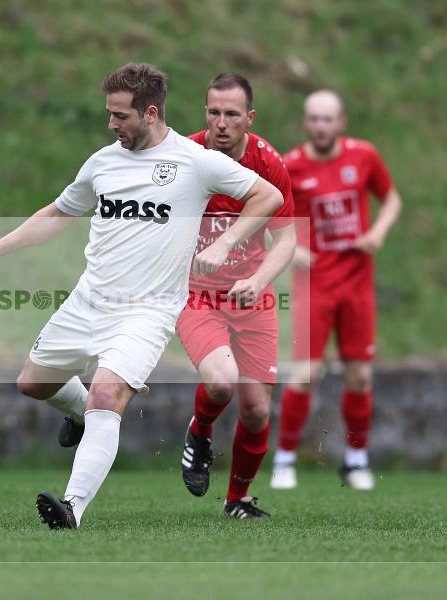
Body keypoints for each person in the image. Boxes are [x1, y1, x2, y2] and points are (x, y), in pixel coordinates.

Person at [0, 63, 283, 528]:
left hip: (148, 312)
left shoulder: (195, 162)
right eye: (110, 115)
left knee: (107, 398)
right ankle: (81, 413)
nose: (112, 125)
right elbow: (57, 213)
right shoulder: (102, 161)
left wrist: (227, 243)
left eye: (120, 117)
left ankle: (72, 507)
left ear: (150, 113)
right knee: (32, 383)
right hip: (90, 300)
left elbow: (267, 196)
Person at [176, 74, 297, 518]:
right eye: (213, 112)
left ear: (250, 117)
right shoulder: (184, 155)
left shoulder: (268, 164)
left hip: (251, 295)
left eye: (231, 114)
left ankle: (237, 500)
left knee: (256, 412)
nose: (221, 123)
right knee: (221, 381)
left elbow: (286, 240)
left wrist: (260, 280)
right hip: (195, 296)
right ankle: (200, 431)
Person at [271, 90, 402, 491]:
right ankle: (284, 460)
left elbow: (391, 198)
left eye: (328, 119)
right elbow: (270, 215)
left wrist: (377, 233)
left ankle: (356, 461)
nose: (321, 126)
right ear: (305, 123)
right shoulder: (290, 165)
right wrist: (291, 247)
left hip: (357, 280)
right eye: (314, 119)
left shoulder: (364, 156)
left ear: (341, 122)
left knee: (359, 375)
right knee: (305, 375)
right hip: (313, 283)